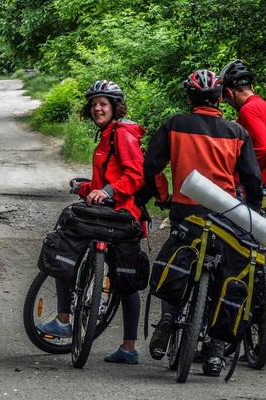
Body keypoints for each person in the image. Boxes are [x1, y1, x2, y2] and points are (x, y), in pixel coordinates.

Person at [143, 69, 263, 376]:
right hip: (225, 217)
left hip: (187, 214)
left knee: (177, 261)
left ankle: (168, 319)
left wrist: (163, 195)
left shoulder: (175, 124)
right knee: (228, 274)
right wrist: (249, 214)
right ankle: (215, 350)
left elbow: (152, 164)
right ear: (221, 97)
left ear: (189, 98)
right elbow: (251, 180)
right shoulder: (237, 132)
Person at [36, 80, 147, 364]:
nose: (97, 108)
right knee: (125, 279)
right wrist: (84, 187)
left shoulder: (121, 134)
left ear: (115, 107)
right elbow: (103, 184)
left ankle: (67, 321)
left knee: (68, 248)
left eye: (103, 104)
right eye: (94, 104)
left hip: (121, 213)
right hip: (111, 211)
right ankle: (126, 346)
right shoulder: (108, 135)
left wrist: (107, 191)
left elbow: (135, 175)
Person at [219, 59, 266, 200]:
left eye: (226, 99)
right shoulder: (262, 105)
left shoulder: (248, 110)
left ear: (229, 92)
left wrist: (240, 172)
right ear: (251, 86)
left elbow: (263, 148)